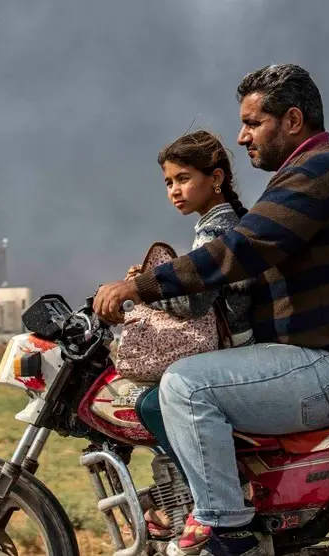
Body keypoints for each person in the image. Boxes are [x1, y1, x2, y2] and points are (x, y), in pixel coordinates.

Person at [94, 64, 329, 556]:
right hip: (328, 358)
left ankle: (229, 532)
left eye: (253, 123)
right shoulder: (316, 172)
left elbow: (239, 250)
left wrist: (140, 287)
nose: (241, 137)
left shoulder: (315, 176)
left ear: (292, 120)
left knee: (185, 385)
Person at [124, 130, 255, 540]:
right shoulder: (221, 220)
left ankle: (209, 496)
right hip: (242, 346)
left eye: (183, 179)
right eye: (168, 183)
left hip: (243, 347)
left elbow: (193, 303)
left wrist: (142, 293)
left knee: (150, 404)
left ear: (215, 178)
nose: (174, 191)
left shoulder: (217, 227)